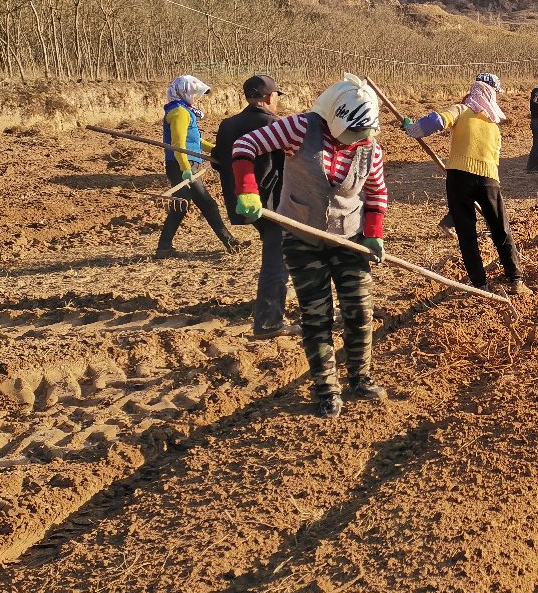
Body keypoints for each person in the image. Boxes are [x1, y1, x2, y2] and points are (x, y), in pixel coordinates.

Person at [230, 73, 388, 418]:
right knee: (317, 317)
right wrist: (247, 189)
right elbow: (244, 146)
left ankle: (360, 378)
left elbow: (376, 191)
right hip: (302, 239)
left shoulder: (370, 147)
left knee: (360, 312)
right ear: (336, 117)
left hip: (350, 240)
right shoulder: (300, 128)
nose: (357, 140)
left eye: (363, 134)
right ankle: (326, 390)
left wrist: (374, 232)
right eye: (353, 132)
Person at [405, 72, 530, 296]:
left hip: (459, 178)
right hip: (489, 180)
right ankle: (516, 280)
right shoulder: (494, 125)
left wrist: (412, 128)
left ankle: (480, 285)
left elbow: (436, 121)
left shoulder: (461, 110)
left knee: (467, 234)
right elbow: (495, 158)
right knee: (501, 229)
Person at [213, 74, 296, 338]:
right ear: (270, 97)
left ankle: (274, 297)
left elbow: (217, 161)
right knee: (277, 258)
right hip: (272, 203)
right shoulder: (274, 125)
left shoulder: (227, 125)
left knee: (279, 253)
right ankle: (268, 323)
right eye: (276, 96)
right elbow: (291, 164)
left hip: (242, 203)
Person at [156, 74, 246, 259]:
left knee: (189, 206)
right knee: (201, 204)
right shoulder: (179, 113)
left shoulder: (184, 110)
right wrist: (185, 169)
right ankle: (230, 243)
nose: (197, 98)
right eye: (195, 94)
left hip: (186, 164)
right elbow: (178, 144)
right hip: (182, 166)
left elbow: (195, 140)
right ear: (185, 92)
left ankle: (164, 247)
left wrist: (216, 150)